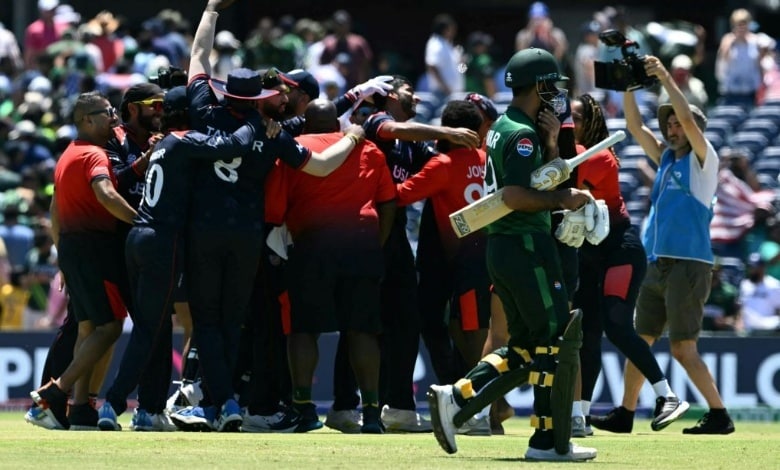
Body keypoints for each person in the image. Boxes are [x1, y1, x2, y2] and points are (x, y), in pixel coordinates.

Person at [169, 0, 364, 433]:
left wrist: (211, 10)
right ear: (259, 99)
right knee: (234, 320)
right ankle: (227, 403)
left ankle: (218, 402)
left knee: (207, 321)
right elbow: (320, 166)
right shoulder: (268, 131)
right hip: (247, 235)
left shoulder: (203, 108)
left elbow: (199, 56)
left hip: (204, 230)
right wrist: (352, 138)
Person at [427, 48, 596, 461]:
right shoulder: (521, 134)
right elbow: (516, 196)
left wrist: (552, 144)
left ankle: (457, 396)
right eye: (551, 85)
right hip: (525, 245)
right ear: (538, 85)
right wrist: (563, 199)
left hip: (503, 247)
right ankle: (547, 442)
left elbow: (535, 179)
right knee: (555, 339)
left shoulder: (505, 126)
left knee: (525, 346)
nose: (556, 93)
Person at [96, 86, 266, 431]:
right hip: (163, 241)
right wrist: (254, 119)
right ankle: (112, 403)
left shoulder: (162, 145)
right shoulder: (184, 141)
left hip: (138, 237)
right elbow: (234, 145)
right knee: (150, 328)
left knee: (154, 326)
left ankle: (214, 402)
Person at [593, 54, 735, 435]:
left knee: (682, 348)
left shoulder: (704, 161)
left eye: (678, 124)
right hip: (657, 262)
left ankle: (719, 414)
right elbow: (635, 127)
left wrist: (665, 77)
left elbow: (688, 118)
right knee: (639, 341)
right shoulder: (668, 159)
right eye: (669, 124)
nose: (673, 129)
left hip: (689, 264)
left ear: (694, 129)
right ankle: (625, 412)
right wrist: (628, 86)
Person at [265, 99, 396, 434]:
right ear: (337, 125)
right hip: (363, 246)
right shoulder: (368, 149)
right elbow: (388, 203)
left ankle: (304, 409)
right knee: (362, 331)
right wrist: (376, 243)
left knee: (303, 330)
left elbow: (274, 211)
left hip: (311, 247)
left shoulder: (294, 149)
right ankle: (371, 414)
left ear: (306, 123)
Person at [569, 93, 688, 436]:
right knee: (587, 334)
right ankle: (580, 416)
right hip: (590, 255)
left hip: (620, 251)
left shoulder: (598, 156)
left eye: (576, 119)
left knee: (617, 325)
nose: (569, 125)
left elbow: (564, 187)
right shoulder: (570, 155)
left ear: (591, 123)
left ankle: (667, 396)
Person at [29, 91, 136, 431]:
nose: (114, 117)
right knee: (110, 327)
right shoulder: (93, 154)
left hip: (73, 249)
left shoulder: (67, 155)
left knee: (88, 327)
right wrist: (141, 220)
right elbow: (105, 194)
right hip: (95, 249)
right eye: (107, 112)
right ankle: (54, 392)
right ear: (87, 120)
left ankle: (79, 410)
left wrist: (63, 257)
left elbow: (55, 210)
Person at [395, 99, 491, 424]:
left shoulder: (443, 164)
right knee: (472, 330)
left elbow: (401, 194)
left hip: (455, 262)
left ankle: (471, 403)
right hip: (484, 258)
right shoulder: (488, 161)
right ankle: (481, 404)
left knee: (446, 327)